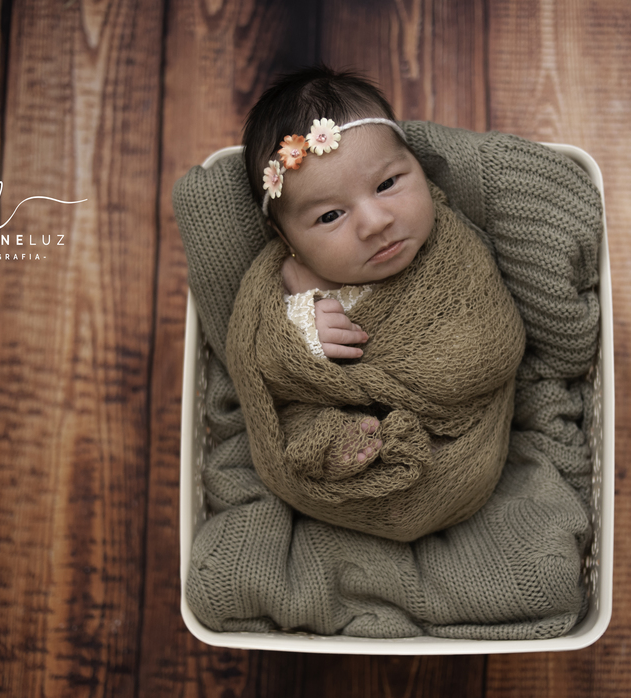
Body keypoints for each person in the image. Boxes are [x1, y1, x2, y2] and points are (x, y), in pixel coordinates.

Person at [225, 65, 527, 542]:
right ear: (286, 238)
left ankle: (362, 447)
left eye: (387, 184)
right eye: (330, 215)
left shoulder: (450, 250)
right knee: (302, 428)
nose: (374, 221)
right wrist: (302, 331)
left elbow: (491, 342)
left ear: (419, 167)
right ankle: (340, 450)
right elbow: (257, 358)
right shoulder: (285, 280)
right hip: (333, 429)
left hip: (450, 453)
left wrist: (374, 377)